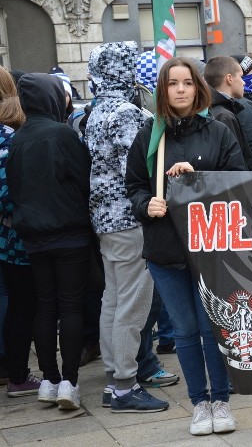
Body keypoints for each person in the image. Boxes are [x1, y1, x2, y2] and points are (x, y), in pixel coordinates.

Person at [126, 57, 246, 436]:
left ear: (198, 88)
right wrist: (148, 204)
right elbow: (133, 187)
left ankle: (221, 400)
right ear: (163, 90)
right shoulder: (150, 134)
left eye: (187, 83)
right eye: (173, 83)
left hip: (211, 247)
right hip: (165, 249)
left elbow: (238, 184)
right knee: (184, 330)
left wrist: (199, 179)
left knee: (213, 327)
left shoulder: (218, 131)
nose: (180, 89)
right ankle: (200, 404)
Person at [85, 42, 169, 413]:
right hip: (131, 220)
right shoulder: (128, 114)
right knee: (132, 307)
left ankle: (113, 378)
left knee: (113, 301)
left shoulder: (95, 112)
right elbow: (135, 171)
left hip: (104, 220)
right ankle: (123, 385)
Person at [7, 73, 94, 410]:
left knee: (45, 305)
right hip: (69, 233)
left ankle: (48, 379)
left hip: (33, 236)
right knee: (70, 305)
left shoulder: (19, 138)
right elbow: (85, 180)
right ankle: (68, 382)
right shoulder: (62, 134)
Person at [0, 68, 41, 398]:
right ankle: (16, 374)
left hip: (7, 236)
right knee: (23, 304)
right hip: (14, 238)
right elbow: (8, 192)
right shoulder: (6, 137)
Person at [204, 56, 252, 169]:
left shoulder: (212, 109)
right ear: (229, 79)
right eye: (241, 77)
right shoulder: (224, 116)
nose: (244, 82)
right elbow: (235, 161)